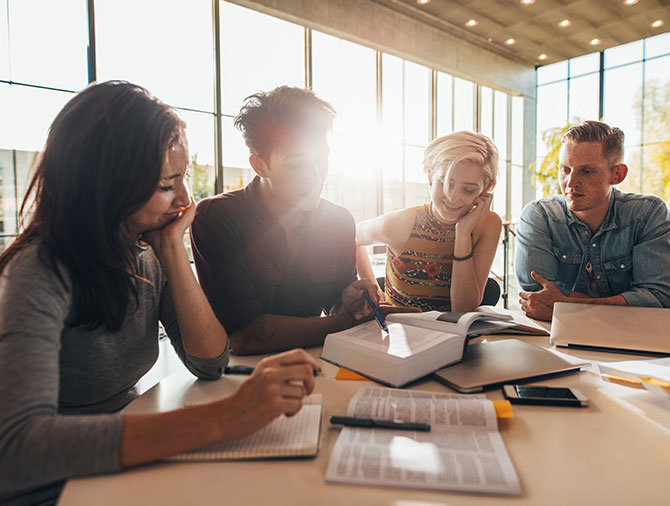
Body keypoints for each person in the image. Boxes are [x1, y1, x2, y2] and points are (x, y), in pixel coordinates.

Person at [0, 81, 319, 505]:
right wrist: (227, 416)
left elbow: (209, 362)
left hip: (124, 459)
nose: (187, 200)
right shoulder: (38, 271)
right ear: (108, 185)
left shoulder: (147, 251)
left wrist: (172, 251)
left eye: (184, 178)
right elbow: (17, 450)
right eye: (168, 184)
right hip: (51, 486)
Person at [191, 86, 391, 356]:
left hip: (315, 364)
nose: (316, 176)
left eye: (323, 159)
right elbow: (246, 335)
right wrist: (347, 323)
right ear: (260, 165)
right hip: (242, 378)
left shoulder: (339, 221)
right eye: (297, 165)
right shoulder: (216, 218)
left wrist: (348, 300)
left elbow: (334, 302)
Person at [516, 120, 670, 321]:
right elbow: (536, 299)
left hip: (632, 343)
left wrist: (566, 306)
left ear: (618, 174)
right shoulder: (539, 216)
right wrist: (622, 303)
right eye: (565, 170)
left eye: (586, 171)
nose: (570, 183)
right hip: (557, 340)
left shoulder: (647, 214)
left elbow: (659, 298)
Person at [356, 131, 503, 312]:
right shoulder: (401, 224)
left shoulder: (487, 224)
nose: (453, 198)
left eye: (468, 190)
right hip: (401, 334)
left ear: (486, 189)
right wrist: (376, 296)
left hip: (457, 336)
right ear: (430, 176)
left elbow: (463, 309)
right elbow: (352, 236)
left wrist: (463, 233)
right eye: (446, 183)